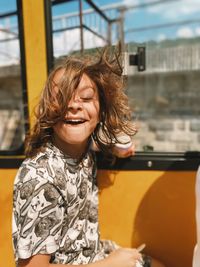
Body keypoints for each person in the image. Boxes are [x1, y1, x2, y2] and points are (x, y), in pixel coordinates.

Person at [12, 47, 164, 267]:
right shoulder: (40, 180)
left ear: (101, 110)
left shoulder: (81, 149)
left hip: (93, 252)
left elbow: (98, 142)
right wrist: (110, 264)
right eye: (62, 98)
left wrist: (115, 149)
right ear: (48, 111)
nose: (73, 105)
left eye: (85, 97)